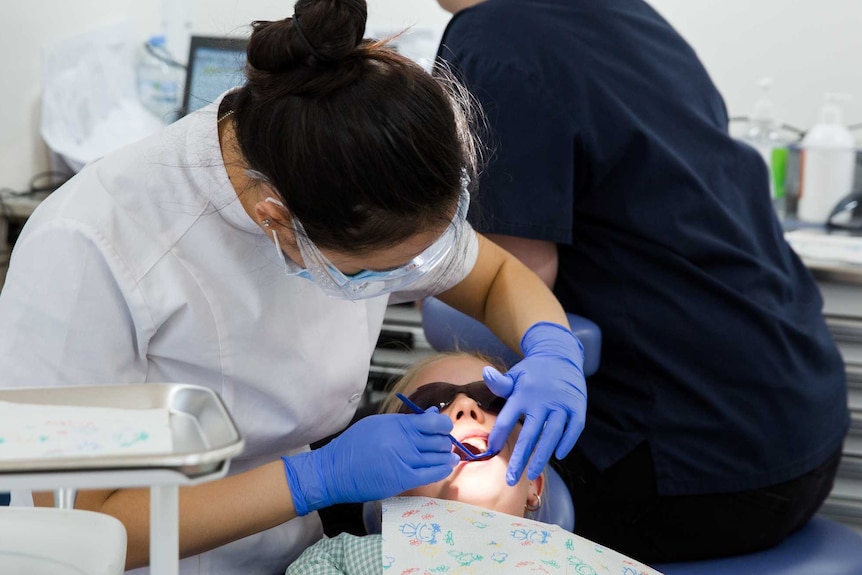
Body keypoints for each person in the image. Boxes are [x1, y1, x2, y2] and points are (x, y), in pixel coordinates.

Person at [0, 1, 587, 573]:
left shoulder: (359, 171)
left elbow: (494, 278)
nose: (412, 279)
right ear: (277, 221)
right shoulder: (94, 246)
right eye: (376, 271)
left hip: (291, 552)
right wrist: (316, 479)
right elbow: (80, 532)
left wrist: (552, 347)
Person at [432, 0, 849, 564]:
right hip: (804, 436)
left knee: (401, 498)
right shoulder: (630, 17)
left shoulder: (491, 39)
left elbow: (510, 276)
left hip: (691, 470)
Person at [286, 351, 546, 575]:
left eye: (493, 400)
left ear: (533, 483)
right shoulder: (339, 562)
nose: (465, 405)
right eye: (430, 404)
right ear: (389, 486)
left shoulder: (580, 561)